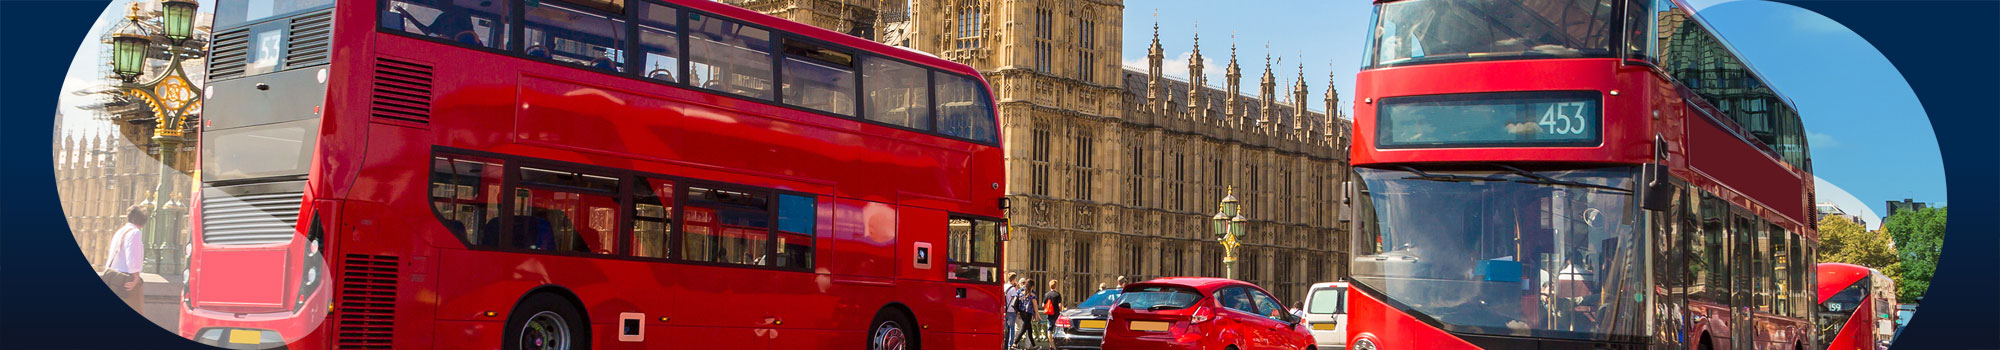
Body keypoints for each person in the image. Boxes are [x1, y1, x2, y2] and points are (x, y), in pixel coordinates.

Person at [100, 205, 149, 310]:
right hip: (127, 281)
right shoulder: (135, 232)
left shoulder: (120, 231)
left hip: (113, 277)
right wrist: (136, 276)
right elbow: (132, 255)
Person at [1014, 277, 1038, 349]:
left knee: (1029, 330)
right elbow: (1034, 306)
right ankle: (1015, 343)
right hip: (1028, 313)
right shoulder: (1032, 294)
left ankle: (1034, 346)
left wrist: (1018, 312)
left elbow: (1018, 303)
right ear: (1032, 286)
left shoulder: (1021, 292)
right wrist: (1036, 315)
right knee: (1023, 330)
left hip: (1022, 312)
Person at [1003, 272, 1021, 350]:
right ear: (1013, 279)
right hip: (1011, 310)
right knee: (1012, 328)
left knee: (1004, 328)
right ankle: (1011, 345)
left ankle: (1003, 343)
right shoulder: (1013, 289)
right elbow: (1015, 300)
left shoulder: (1004, 286)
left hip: (1004, 310)